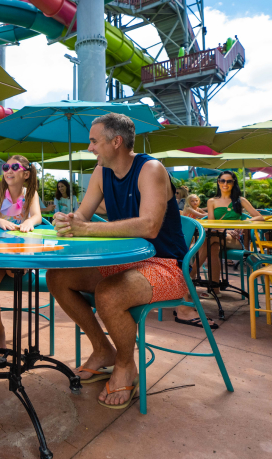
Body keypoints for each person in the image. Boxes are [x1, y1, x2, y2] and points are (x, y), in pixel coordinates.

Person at [46, 113, 193, 409]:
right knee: (57, 276)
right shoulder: (102, 173)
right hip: (124, 263)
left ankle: (126, 365)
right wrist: (67, 220)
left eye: (94, 141)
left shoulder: (150, 169)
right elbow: (83, 218)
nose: (90, 148)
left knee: (109, 293)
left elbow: (150, 226)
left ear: (116, 141)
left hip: (165, 265)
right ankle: (103, 350)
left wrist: (85, 228)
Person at [0, 155, 42, 349]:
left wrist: (29, 221)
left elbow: (37, 215)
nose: (8, 170)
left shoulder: (31, 193)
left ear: (26, 173)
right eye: (5, 167)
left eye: (14, 167)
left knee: (14, 270)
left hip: (19, 249)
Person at [192, 171, 263, 300]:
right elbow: (211, 223)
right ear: (218, 182)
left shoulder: (240, 200)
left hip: (235, 239)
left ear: (233, 183)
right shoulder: (212, 201)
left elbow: (259, 217)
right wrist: (221, 229)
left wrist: (243, 223)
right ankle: (215, 290)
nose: (225, 184)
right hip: (218, 235)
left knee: (210, 239)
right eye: (222, 181)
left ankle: (190, 276)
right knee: (213, 247)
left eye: (229, 181)